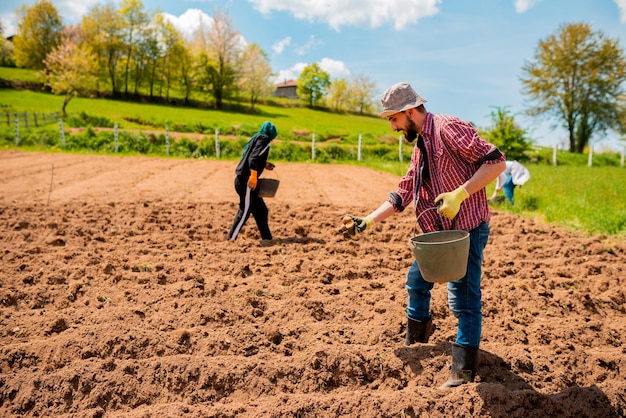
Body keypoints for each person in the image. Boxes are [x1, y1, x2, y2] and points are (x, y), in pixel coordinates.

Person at [339, 82, 506, 389]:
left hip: (465, 231)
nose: (392, 127)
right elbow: (405, 190)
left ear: (410, 111)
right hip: (437, 234)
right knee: (417, 281)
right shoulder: (421, 145)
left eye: (394, 119)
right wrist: (368, 221)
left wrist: (461, 193)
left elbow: (496, 162)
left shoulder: (447, 128)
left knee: (464, 299)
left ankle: (463, 372)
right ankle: (416, 342)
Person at [227, 121, 277, 241]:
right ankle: (231, 239)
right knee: (245, 210)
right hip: (247, 182)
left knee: (261, 210)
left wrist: (264, 164)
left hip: (244, 180)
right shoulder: (264, 139)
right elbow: (253, 158)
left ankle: (267, 239)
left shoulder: (257, 137)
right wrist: (253, 175)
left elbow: (252, 157)